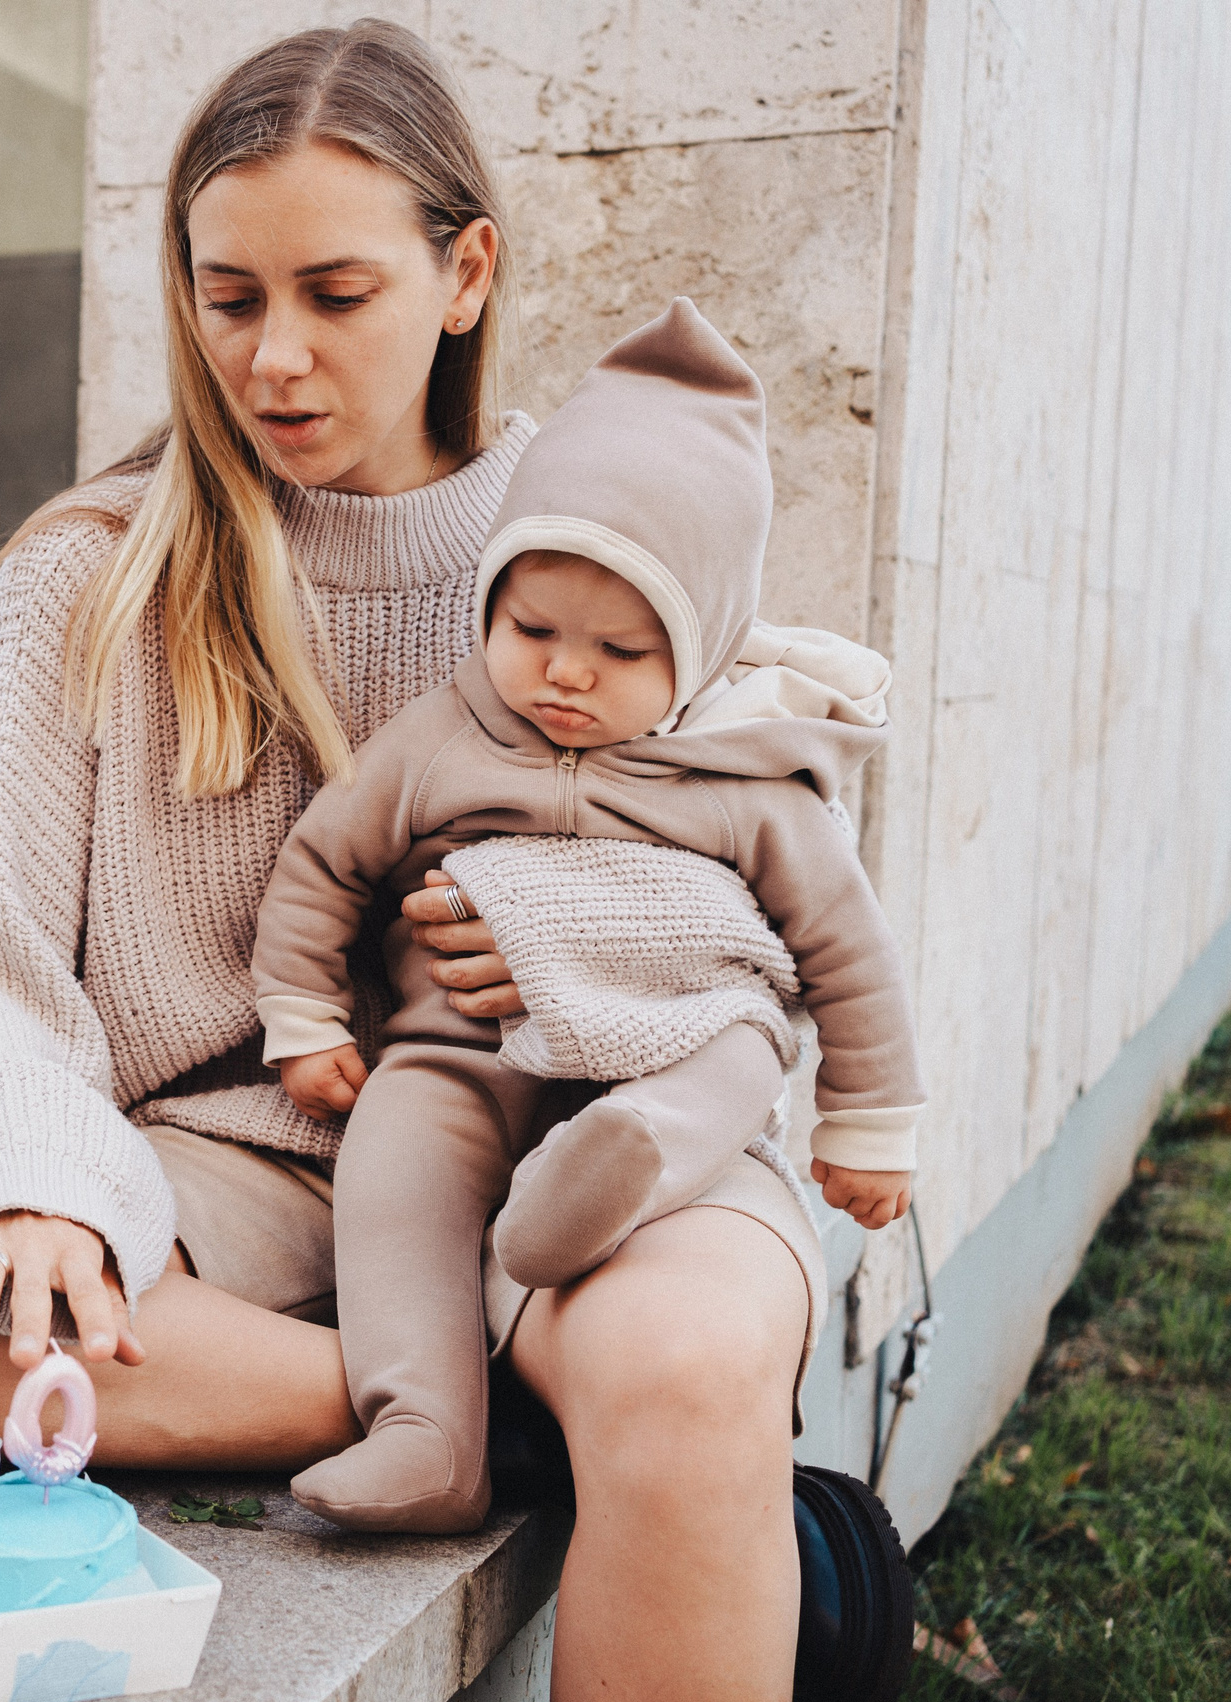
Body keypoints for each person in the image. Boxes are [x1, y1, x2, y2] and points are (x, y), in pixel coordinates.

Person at [0, 22, 850, 1702]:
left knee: (688, 1358)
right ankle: (457, 1409)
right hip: (222, 1171)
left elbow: (768, 892)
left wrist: (567, 948)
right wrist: (27, 1182)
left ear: (464, 271)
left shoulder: (603, 535)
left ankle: (541, 1394)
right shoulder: (92, 573)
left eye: (337, 296)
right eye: (229, 295)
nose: (275, 360)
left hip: (562, 1137)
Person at [253, 298, 923, 1534]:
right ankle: (426, 1433)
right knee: (394, 1165)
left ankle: (612, 1172)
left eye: (620, 650)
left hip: (669, 1045)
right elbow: (324, 861)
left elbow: (846, 953)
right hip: (463, 1048)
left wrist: (868, 1124)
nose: (563, 673)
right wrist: (300, 1012)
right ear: (490, 603)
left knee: (732, 1054)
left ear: (704, 647)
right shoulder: (441, 735)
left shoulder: (751, 781)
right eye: (532, 628)